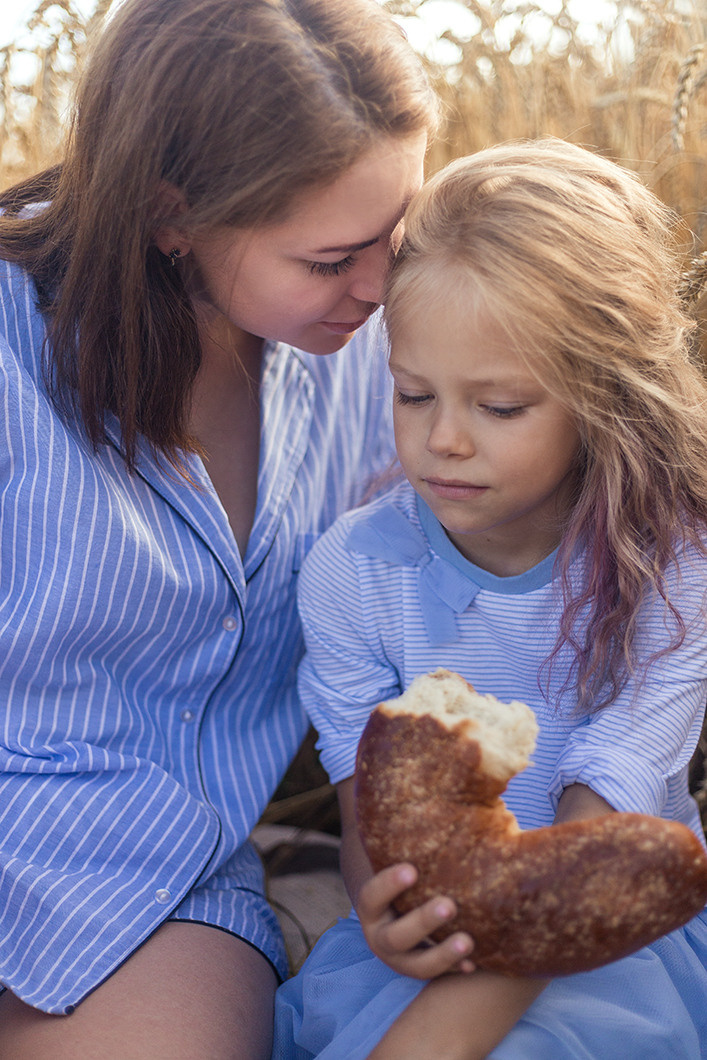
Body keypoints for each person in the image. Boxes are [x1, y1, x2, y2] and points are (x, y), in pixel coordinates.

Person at [0, 0, 437, 1054]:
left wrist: (376, 847)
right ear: (170, 214)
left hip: (151, 873)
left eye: (395, 233)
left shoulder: (398, 367)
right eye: (331, 259)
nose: (378, 289)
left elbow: (404, 634)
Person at [272, 138, 707, 1059]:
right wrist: (382, 909)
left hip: (610, 938)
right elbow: (371, 812)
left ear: (604, 396)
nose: (444, 442)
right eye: (413, 394)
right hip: (437, 938)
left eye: (500, 407)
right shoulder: (355, 571)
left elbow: (593, 858)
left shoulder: (668, 565)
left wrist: (429, 1045)